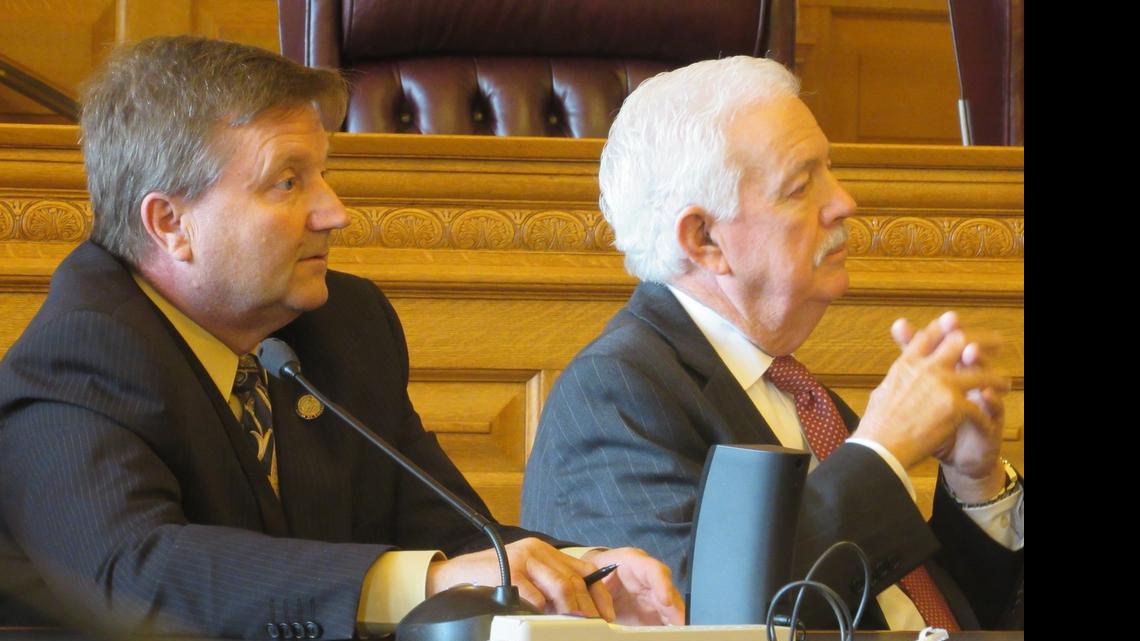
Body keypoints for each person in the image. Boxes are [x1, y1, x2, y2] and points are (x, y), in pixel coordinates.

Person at [0, 36, 683, 639]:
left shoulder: (343, 327)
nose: (334, 211)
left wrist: (572, 569)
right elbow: (132, 571)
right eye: (288, 181)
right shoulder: (77, 355)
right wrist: (419, 581)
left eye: (323, 174)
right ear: (170, 222)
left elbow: (446, 538)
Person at [520, 56, 1023, 630]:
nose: (844, 202)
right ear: (704, 238)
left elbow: (932, 615)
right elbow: (703, 615)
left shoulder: (803, 397)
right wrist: (882, 448)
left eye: (830, 171)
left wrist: (975, 484)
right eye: (801, 186)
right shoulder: (614, 395)